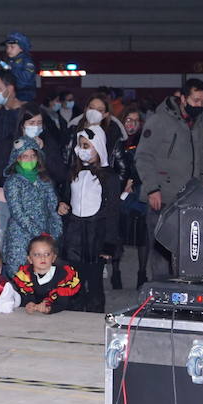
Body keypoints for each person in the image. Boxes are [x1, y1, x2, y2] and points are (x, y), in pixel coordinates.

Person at [136, 79, 203, 280]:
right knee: (161, 253)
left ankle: (180, 295)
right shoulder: (159, 121)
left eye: (202, 102)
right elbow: (143, 156)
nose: (199, 105)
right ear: (182, 98)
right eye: (195, 100)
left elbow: (201, 161)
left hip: (188, 200)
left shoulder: (193, 126)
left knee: (185, 253)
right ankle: (160, 295)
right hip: (162, 198)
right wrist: (152, 188)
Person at [58, 126, 120, 314]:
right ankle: (74, 315)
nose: (81, 149)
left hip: (96, 235)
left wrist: (109, 243)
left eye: (87, 145)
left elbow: (113, 211)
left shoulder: (109, 177)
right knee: (74, 278)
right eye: (80, 145)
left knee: (94, 282)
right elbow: (67, 198)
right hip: (75, 235)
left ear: (98, 147)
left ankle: (94, 316)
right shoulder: (73, 173)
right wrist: (62, 206)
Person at [2, 138, 62, 281]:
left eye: (33, 156)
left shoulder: (43, 180)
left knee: (41, 275)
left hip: (43, 236)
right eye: (25, 156)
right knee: (20, 275)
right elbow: (17, 212)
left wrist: (55, 229)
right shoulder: (13, 182)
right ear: (17, 159)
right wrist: (38, 233)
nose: (30, 159)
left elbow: (52, 206)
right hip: (20, 236)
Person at [110, 104, 148, 290]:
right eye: (128, 120)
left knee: (143, 235)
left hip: (137, 192)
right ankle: (115, 273)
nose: (132, 124)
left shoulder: (145, 142)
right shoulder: (115, 140)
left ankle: (142, 273)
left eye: (136, 121)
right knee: (116, 234)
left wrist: (134, 181)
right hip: (117, 192)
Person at [11, 234, 81, 315]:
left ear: (54, 257)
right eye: (37, 255)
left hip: (62, 315)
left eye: (47, 254)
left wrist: (48, 308)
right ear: (30, 259)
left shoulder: (63, 276)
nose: (42, 258)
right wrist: (29, 303)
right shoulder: (25, 276)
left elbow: (63, 303)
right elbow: (25, 296)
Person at [0, 32, 37, 103]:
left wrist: (9, 69)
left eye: (12, 47)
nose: (8, 50)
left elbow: (26, 78)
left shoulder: (27, 61)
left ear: (21, 49)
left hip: (24, 94)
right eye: (7, 47)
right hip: (12, 93)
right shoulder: (9, 61)